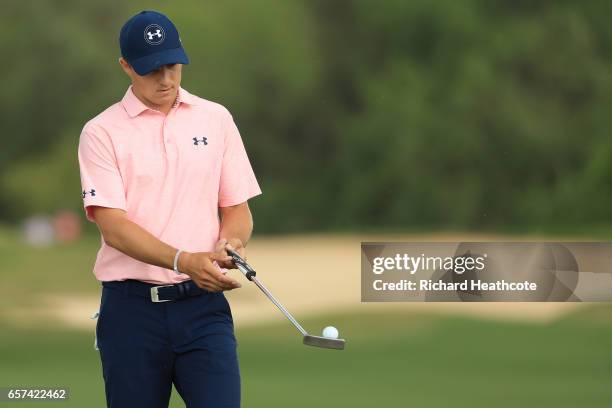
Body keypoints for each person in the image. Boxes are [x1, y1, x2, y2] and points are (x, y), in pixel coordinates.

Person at [77, 10, 261, 408]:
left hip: (203, 309)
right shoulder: (101, 132)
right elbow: (114, 228)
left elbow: (236, 208)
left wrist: (231, 240)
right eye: (151, 69)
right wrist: (184, 260)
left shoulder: (216, 119)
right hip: (131, 314)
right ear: (126, 66)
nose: (166, 79)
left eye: (172, 65)